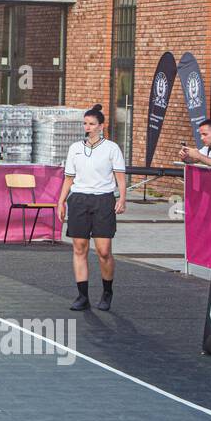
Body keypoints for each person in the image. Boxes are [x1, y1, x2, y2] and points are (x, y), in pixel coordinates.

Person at [56, 104, 127, 312]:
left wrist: (122, 198)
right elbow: (69, 178)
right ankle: (82, 296)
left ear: (101, 126)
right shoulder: (75, 148)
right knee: (79, 248)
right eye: (85, 123)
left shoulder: (112, 148)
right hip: (79, 200)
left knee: (104, 251)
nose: (87, 127)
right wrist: (61, 201)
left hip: (103, 200)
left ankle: (107, 291)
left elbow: (120, 178)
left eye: (92, 124)